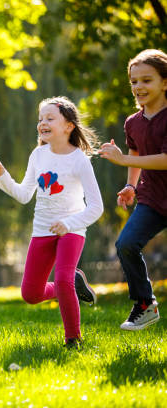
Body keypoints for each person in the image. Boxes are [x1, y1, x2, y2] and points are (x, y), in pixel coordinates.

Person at [0, 96, 103, 350]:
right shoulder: (38, 155)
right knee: (31, 295)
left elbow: (97, 207)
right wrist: (3, 177)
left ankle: (73, 339)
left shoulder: (79, 160)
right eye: (40, 119)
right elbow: (24, 194)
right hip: (42, 230)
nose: (43, 123)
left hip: (72, 230)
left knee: (62, 279)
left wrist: (69, 223)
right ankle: (75, 282)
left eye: (50, 118)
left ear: (68, 126)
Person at [98, 49, 167, 331]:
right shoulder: (132, 122)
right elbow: (136, 149)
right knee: (126, 244)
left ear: (165, 82)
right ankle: (144, 304)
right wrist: (130, 183)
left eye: (146, 80)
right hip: (152, 198)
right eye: (134, 82)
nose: (139, 87)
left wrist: (125, 160)